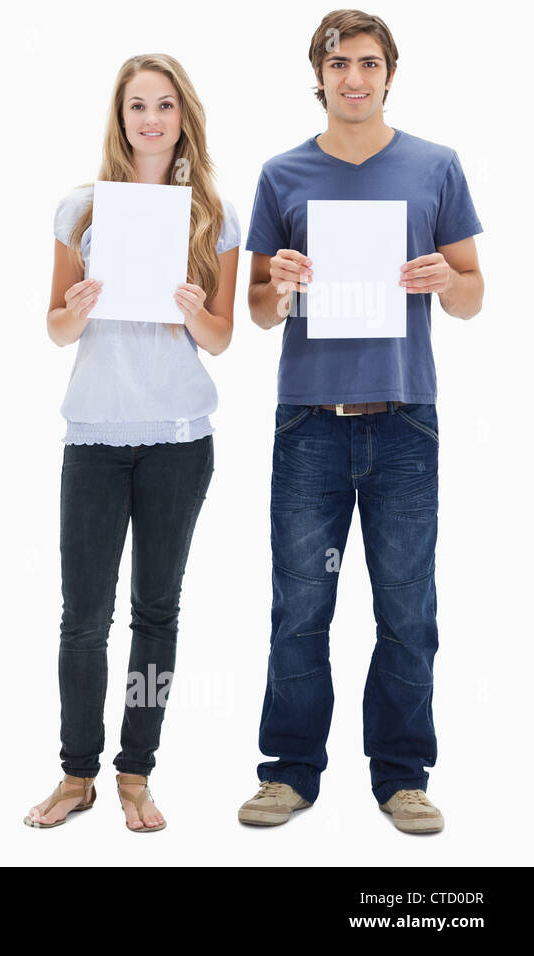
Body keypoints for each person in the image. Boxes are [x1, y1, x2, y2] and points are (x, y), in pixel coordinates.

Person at [238, 9, 483, 834]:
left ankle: (403, 776)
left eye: (368, 63)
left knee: (408, 608)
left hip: (405, 420)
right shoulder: (281, 174)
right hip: (308, 421)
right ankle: (289, 774)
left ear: (389, 73)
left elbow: (475, 295)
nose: (354, 77)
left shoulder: (435, 166)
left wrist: (443, 277)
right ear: (319, 72)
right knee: (299, 606)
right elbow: (261, 312)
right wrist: (281, 280)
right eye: (338, 63)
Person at [23, 54, 238, 832]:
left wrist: (189, 310)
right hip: (96, 435)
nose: (151, 119)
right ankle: (76, 772)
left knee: (156, 611)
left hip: (178, 437)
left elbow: (220, 339)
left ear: (185, 117)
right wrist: (76, 308)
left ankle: (135, 773)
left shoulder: (211, 213)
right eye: (137, 105)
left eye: (165, 106)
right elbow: (52, 329)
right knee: (82, 616)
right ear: (119, 118)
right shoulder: (80, 210)